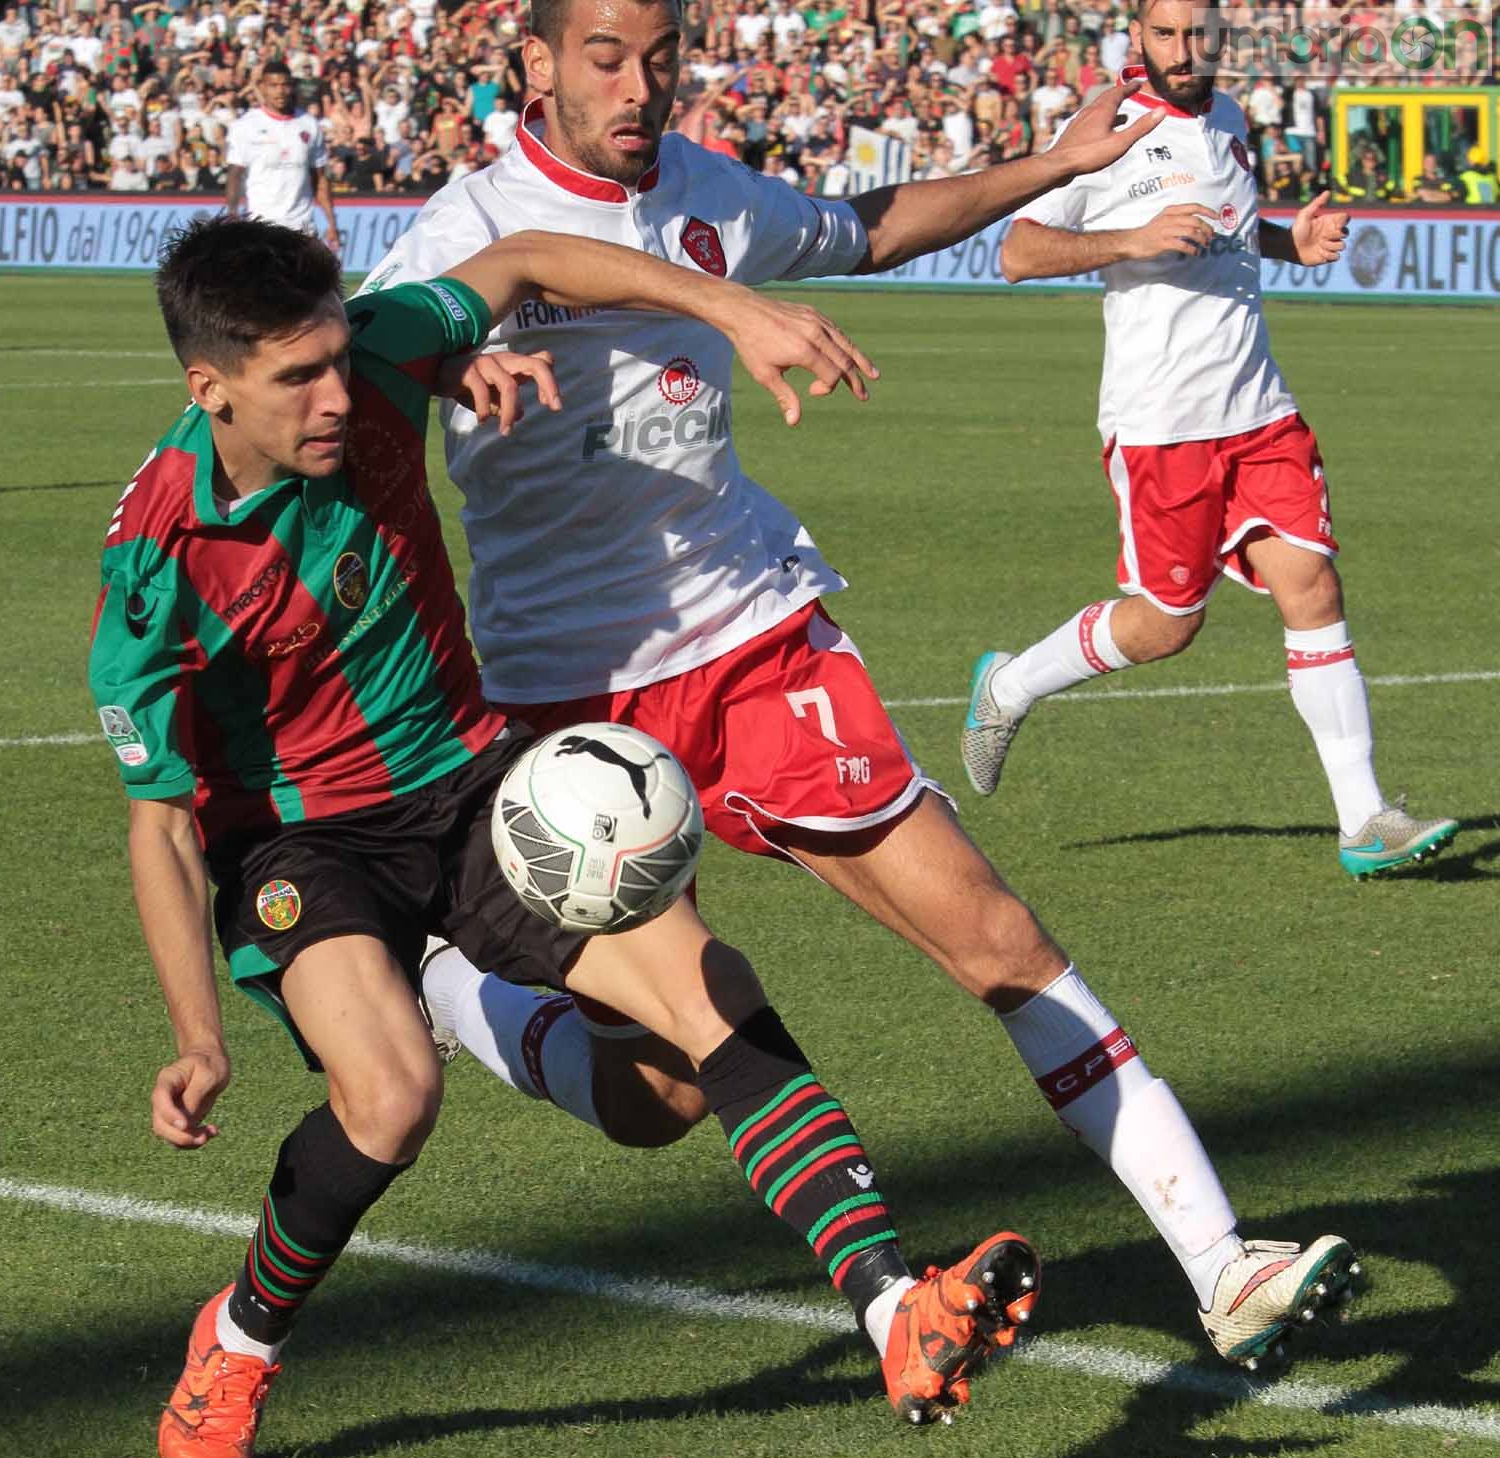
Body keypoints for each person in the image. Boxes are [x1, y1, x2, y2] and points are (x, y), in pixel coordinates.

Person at [360, 0, 1360, 1387]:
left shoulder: (708, 191)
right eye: (605, 57)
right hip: (564, 694)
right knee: (656, 1093)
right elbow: (357, 360)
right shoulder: (466, 224)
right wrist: (445, 353)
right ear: (533, 65)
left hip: (755, 636)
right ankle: (460, 986)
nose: (640, 86)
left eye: (662, 57)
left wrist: (1051, 166)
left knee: (996, 931)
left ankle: (1222, 1262)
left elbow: (869, 223)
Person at [92, 214, 1043, 1458]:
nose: (337, 391)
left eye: (338, 358)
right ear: (208, 388)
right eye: (296, 378)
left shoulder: (377, 350)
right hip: (302, 841)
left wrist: (731, 310)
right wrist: (197, 1033)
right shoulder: (156, 567)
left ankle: (892, 1306)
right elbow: (158, 822)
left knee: (694, 1039)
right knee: (389, 1095)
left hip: (474, 778)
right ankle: (241, 1338)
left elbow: (530, 253)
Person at [972, 0, 1459, 881]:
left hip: (1260, 411)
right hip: (1162, 426)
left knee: (1312, 584)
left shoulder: (1228, 116)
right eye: (1166, 34)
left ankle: (1365, 820)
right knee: (1166, 626)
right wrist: (1132, 237)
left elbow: (1227, 228)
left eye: (1199, 34)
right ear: (1138, 40)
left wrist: (1288, 240)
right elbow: (1018, 250)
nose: (1185, 51)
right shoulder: (1104, 126)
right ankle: (1009, 686)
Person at [224, 56, 340, 251]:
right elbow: (234, 175)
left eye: (285, 85)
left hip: (301, 227)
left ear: (292, 86)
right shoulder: (246, 125)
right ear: (262, 87)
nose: (280, 91)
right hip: (260, 226)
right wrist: (233, 214)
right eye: (273, 85)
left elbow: (320, 179)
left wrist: (331, 222)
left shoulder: (309, 124)